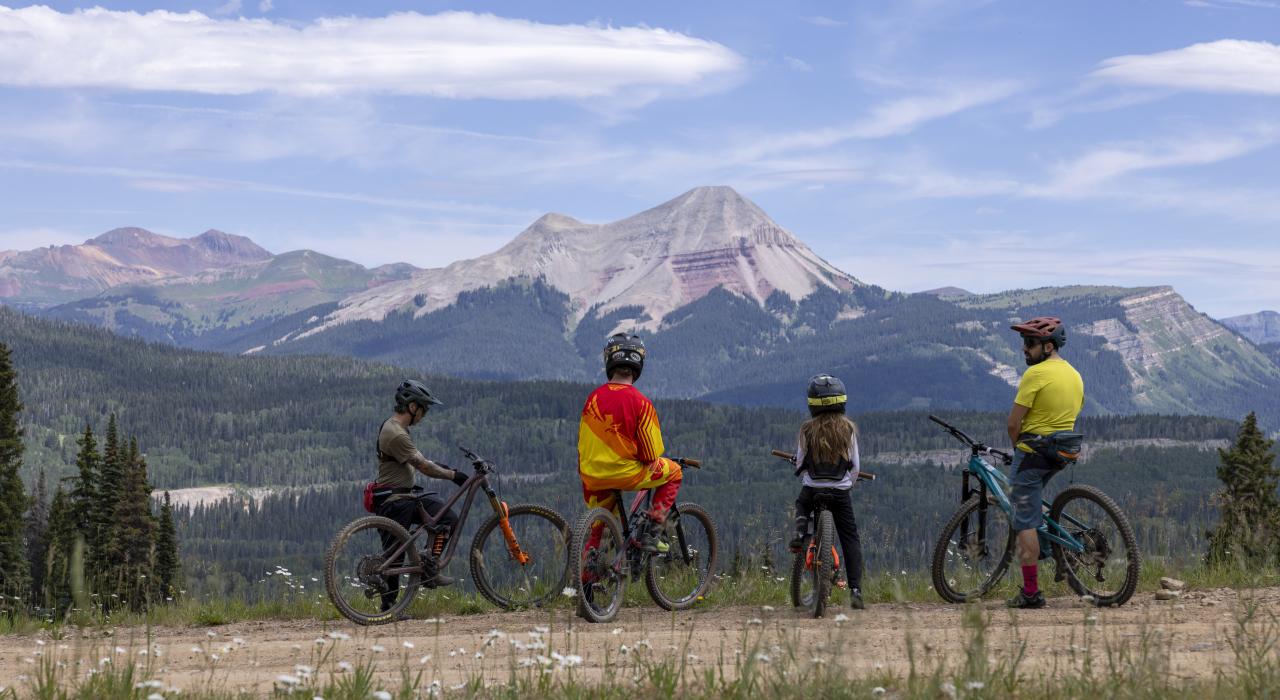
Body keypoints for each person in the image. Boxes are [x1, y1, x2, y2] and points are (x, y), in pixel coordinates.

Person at [1005, 317, 1085, 609]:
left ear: (1048, 346)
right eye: (1024, 343)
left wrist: (1018, 451)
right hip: (1063, 451)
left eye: (1030, 344)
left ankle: (1030, 593)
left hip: (1034, 451)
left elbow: (1014, 423)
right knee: (1034, 501)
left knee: (1023, 519)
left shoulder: (1036, 375)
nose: (1024, 349)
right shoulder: (1074, 375)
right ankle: (1056, 550)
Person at [577, 333, 682, 554]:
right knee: (674, 472)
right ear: (638, 365)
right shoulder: (641, 403)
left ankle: (585, 578)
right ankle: (652, 532)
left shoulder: (592, 398)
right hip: (624, 474)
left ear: (609, 362)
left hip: (592, 475)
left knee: (598, 531)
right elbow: (649, 455)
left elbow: (583, 444)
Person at [372, 379, 470, 609]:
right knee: (395, 556)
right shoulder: (395, 433)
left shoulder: (397, 428)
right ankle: (389, 609)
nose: (424, 415)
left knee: (446, 519)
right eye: (423, 409)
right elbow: (423, 466)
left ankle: (429, 565)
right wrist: (453, 476)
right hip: (394, 501)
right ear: (413, 407)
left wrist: (446, 467)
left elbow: (420, 460)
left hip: (405, 496)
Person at [788, 374, 866, 610]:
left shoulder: (806, 430)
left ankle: (801, 535)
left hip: (813, 489)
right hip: (840, 491)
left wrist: (808, 477)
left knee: (802, 504)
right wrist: (847, 484)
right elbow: (855, 466)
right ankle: (855, 590)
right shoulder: (848, 429)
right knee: (850, 538)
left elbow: (801, 463)